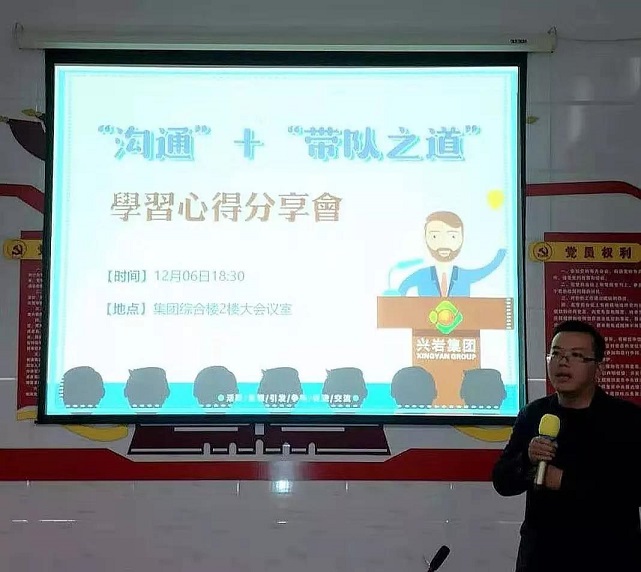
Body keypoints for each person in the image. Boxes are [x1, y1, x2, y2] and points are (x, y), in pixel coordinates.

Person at [492, 320, 641, 572]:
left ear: (598, 368)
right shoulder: (533, 414)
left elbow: (633, 490)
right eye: (557, 354)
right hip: (542, 557)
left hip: (609, 555)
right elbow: (502, 482)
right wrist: (527, 459)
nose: (563, 362)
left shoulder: (626, 420)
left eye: (576, 355)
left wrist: (564, 481)